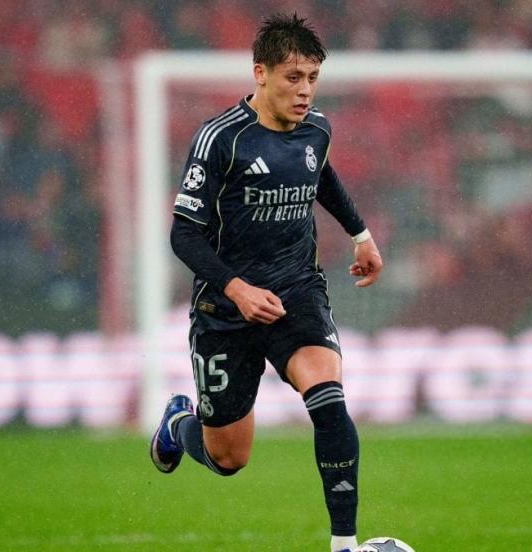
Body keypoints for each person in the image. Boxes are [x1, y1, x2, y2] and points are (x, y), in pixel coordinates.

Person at [150, 13, 383, 552]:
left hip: (296, 293)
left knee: (328, 399)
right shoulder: (220, 140)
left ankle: (344, 545)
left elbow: (320, 175)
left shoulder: (317, 129)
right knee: (229, 458)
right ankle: (178, 425)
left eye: (312, 78)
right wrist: (236, 288)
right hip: (225, 311)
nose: (305, 91)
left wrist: (361, 234)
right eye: (293, 77)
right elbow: (183, 235)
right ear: (261, 73)